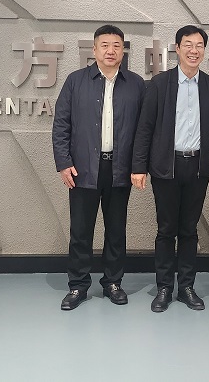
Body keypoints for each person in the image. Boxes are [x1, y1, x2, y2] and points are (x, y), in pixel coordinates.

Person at [131, 25, 209, 313]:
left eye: (199, 46)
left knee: (189, 230)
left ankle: (186, 287)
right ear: (177, 48)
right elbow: (145, 128)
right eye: (188, 45)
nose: (194, 50)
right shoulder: (160, 84)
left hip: (197, 167)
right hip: (166, 167)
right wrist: (139, 167)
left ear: (204, 50)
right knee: (166, 229)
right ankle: (164, 287)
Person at [53, 25, 146, 311]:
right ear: (94, 50)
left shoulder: (136, 84)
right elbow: (61, 124)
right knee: (81, 231)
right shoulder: (75, 81)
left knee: (116, 230)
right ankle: (78, 285)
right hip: (83, 169)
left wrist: (139, 166)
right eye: (104, 45)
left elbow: (144, 130)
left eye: (116, 45)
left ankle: (113, 282)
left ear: (123, 51)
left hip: (120, 168)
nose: (110, 50)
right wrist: (63, 162)